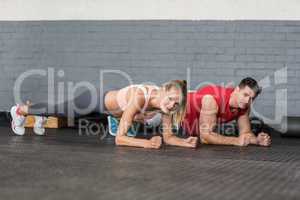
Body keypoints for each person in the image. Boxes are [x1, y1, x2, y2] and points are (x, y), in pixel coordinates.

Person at [10, 80, 198, 149]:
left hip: (111, 107)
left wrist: (185, 142)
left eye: (177, 103)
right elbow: (120, 139)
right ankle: (19, 110)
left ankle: (40, 115)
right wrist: (146, 143)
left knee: (56, 109)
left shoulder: (165, 107)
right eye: (172, 98)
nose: (173, 105)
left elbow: (168, 137)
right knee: (58, 108)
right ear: (164, 90)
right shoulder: (141, 97)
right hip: (95, 98)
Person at [182, 77, 271, 146]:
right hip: (179, 109)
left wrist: (257, 140)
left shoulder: (244, 105)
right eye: (245, 95)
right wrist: (236, 141)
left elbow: (245, 133)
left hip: (193, 125)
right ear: (237, 90)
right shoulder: (213, 100)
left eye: (252, 98)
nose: (247, 100)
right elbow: (205, 137)